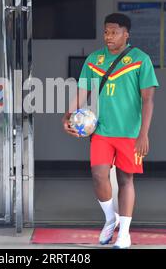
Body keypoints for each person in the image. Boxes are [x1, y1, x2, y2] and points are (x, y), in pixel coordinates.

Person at [62, 13, 159, 249]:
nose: (109, 36)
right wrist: (67, 116)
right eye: (106, 31)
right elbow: (82, 91)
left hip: (129, 133)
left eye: (114, 32)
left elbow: (148, 100)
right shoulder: (94, 59)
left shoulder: (140, 59)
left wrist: (143, 134)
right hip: (102, 130)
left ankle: (124, 233)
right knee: (98, 175)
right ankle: (110, 219)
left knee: (126, 179)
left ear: (127, 34)